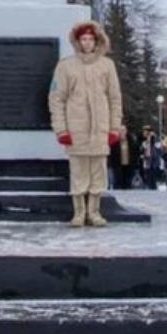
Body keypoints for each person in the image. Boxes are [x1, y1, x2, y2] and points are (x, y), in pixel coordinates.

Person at [48, 20, 123, 227]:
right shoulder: (66, 66)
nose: (87, 43)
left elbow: (115, 98)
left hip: (100, 130)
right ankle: (79, 212)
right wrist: (61, 129)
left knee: (98, 172)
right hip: (76, 129)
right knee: (79, 173)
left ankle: (94, 212)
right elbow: (56, 98)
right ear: (78, 42)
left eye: (91, 39)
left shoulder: (107, 66)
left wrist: (113, 127)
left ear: (97, 41)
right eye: (83, 39)